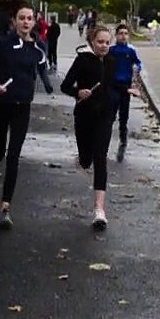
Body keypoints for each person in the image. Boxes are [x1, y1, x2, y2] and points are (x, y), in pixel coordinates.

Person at [0, 3, 54, 230]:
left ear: (34, 21)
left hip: (23, 105)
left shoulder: (38, 45)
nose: (26, 22)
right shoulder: (4, 44)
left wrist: (48, 84)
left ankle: (5, 206)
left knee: (14, 156)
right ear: (14, 21)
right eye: (22, 18)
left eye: (30, 18)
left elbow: (41, 66)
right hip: (1, 104)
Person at [61, 24, 136, 230]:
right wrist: (78, 92)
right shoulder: (83, 61)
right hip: (84, 115)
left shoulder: (112, 61)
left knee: (100, 158)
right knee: (87, 160)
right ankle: (83, 158)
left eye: (106, 42)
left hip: (105, 115)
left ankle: (99, 210)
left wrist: (127, 89)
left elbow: (111, 84)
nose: (104, 46)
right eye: (100, 42)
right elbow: (65, 85)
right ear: (92, 42)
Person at [108, 24, 143, 157]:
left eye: (126, 33)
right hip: (113, 85)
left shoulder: (130, 51)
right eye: (121, 33)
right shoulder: (111, 50)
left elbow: (138, 62)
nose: (123, 36)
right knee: (110, 114)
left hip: (126, 86)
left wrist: (137, 67)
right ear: (116, 35)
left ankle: (123, 140)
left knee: (124, 115)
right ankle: (105, 137)